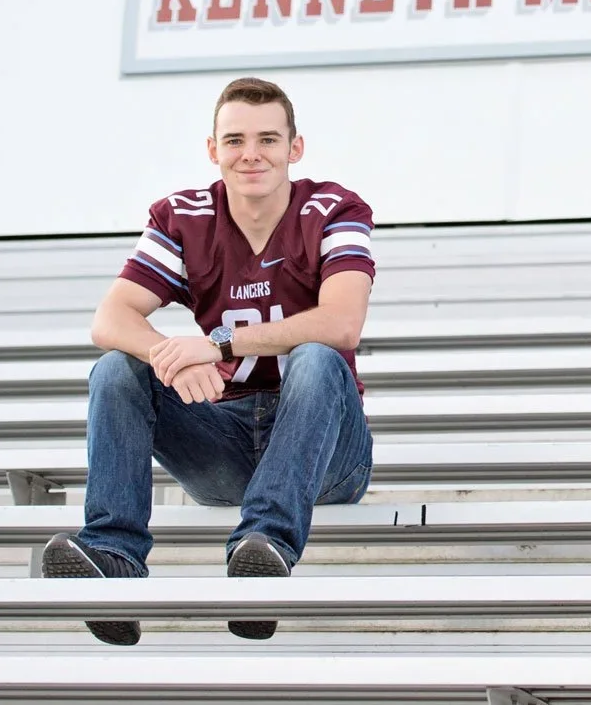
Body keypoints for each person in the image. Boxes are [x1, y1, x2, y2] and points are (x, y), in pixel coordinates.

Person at [39, 76, 376, 646]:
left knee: (318, 357)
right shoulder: (185, 216)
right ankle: (114, 553)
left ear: (295, 148)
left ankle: (264, 555)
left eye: (268, 139)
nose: (251, 154)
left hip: (326, 455)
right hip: (223, 437)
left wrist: (216, 346)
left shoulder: (334, 209)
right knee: (118, 369)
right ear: (213, 149)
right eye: (236, 139)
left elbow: (342, 322)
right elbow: (110, 320)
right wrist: (168, 356)